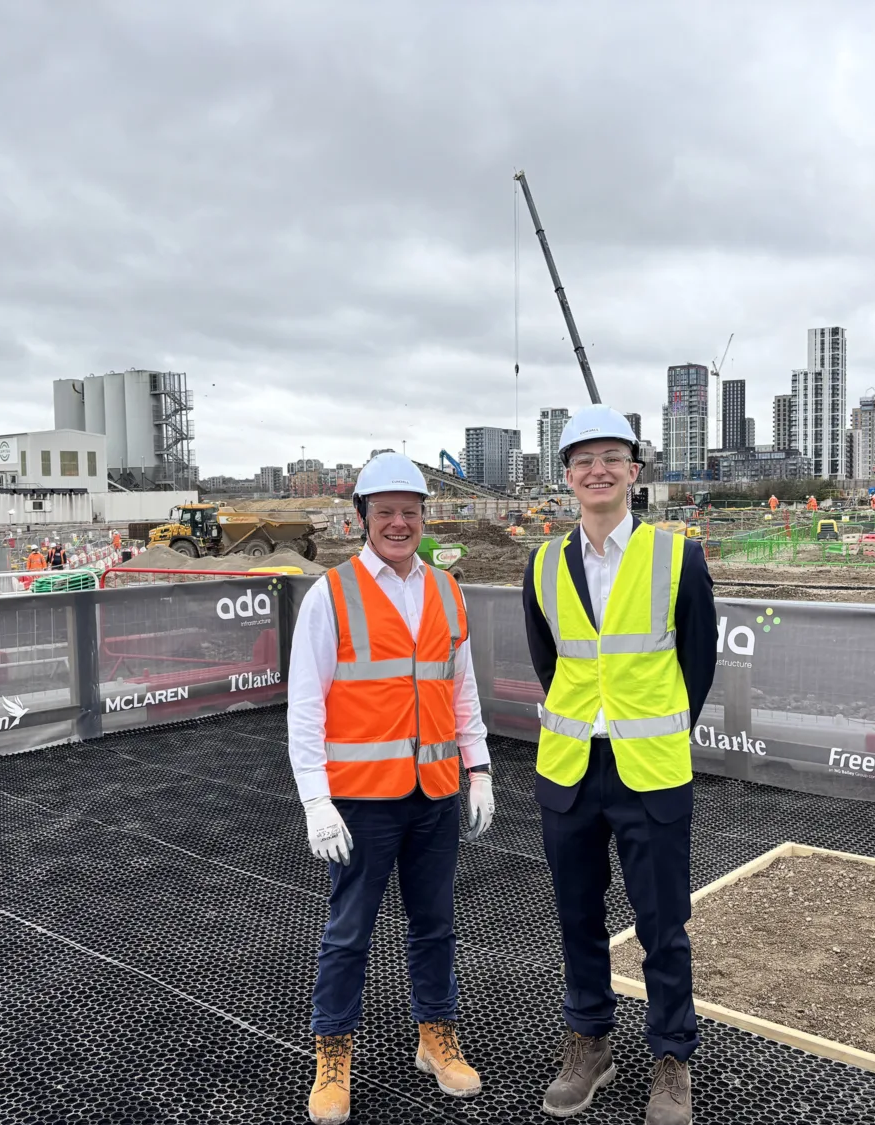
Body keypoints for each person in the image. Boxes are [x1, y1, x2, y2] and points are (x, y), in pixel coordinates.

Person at [288, 451, 496, 1125]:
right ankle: (333, 1052)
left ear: (424, 517)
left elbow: (460, 688)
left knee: (434, 925)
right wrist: (316, 799)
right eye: (386, 512)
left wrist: (481, 766)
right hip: (362, 799)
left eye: (410, 511)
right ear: (363, 520)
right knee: (349, 931)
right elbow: (306, 706)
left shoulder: (446, 589)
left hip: (434, 792)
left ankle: (435, 1037)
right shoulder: (331, 594)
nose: (399, 523)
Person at [522, 405, 716, 1124]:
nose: (596, 470)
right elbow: (551, 663)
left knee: (663, 921)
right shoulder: (543, 562)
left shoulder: (677, 555)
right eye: (582, 460)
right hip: (570, 769)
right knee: (578, 916)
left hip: (651, 770)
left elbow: (698, 663)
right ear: (567, 476)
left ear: (634, 472)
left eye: (612, 458)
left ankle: (671, 1058)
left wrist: (654, 730)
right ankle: (590, 1044)